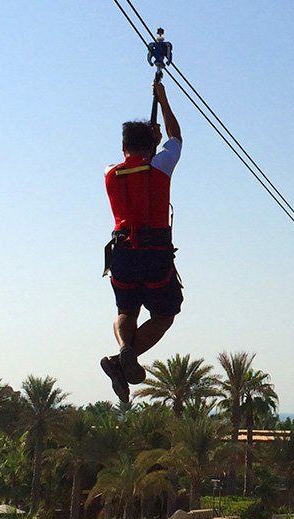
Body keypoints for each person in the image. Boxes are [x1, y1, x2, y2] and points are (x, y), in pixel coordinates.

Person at [100, 81, 183, 404]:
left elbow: (137, 158)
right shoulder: (159, 166)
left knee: (126, 310)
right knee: (164, 315)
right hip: (155, 254)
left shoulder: (110, 173)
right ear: (151, 146)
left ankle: (124, 350)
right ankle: (122, 360)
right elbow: (176, 138)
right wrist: (163, 99)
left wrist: (149, 144)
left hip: (122, 253)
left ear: (123, 147)